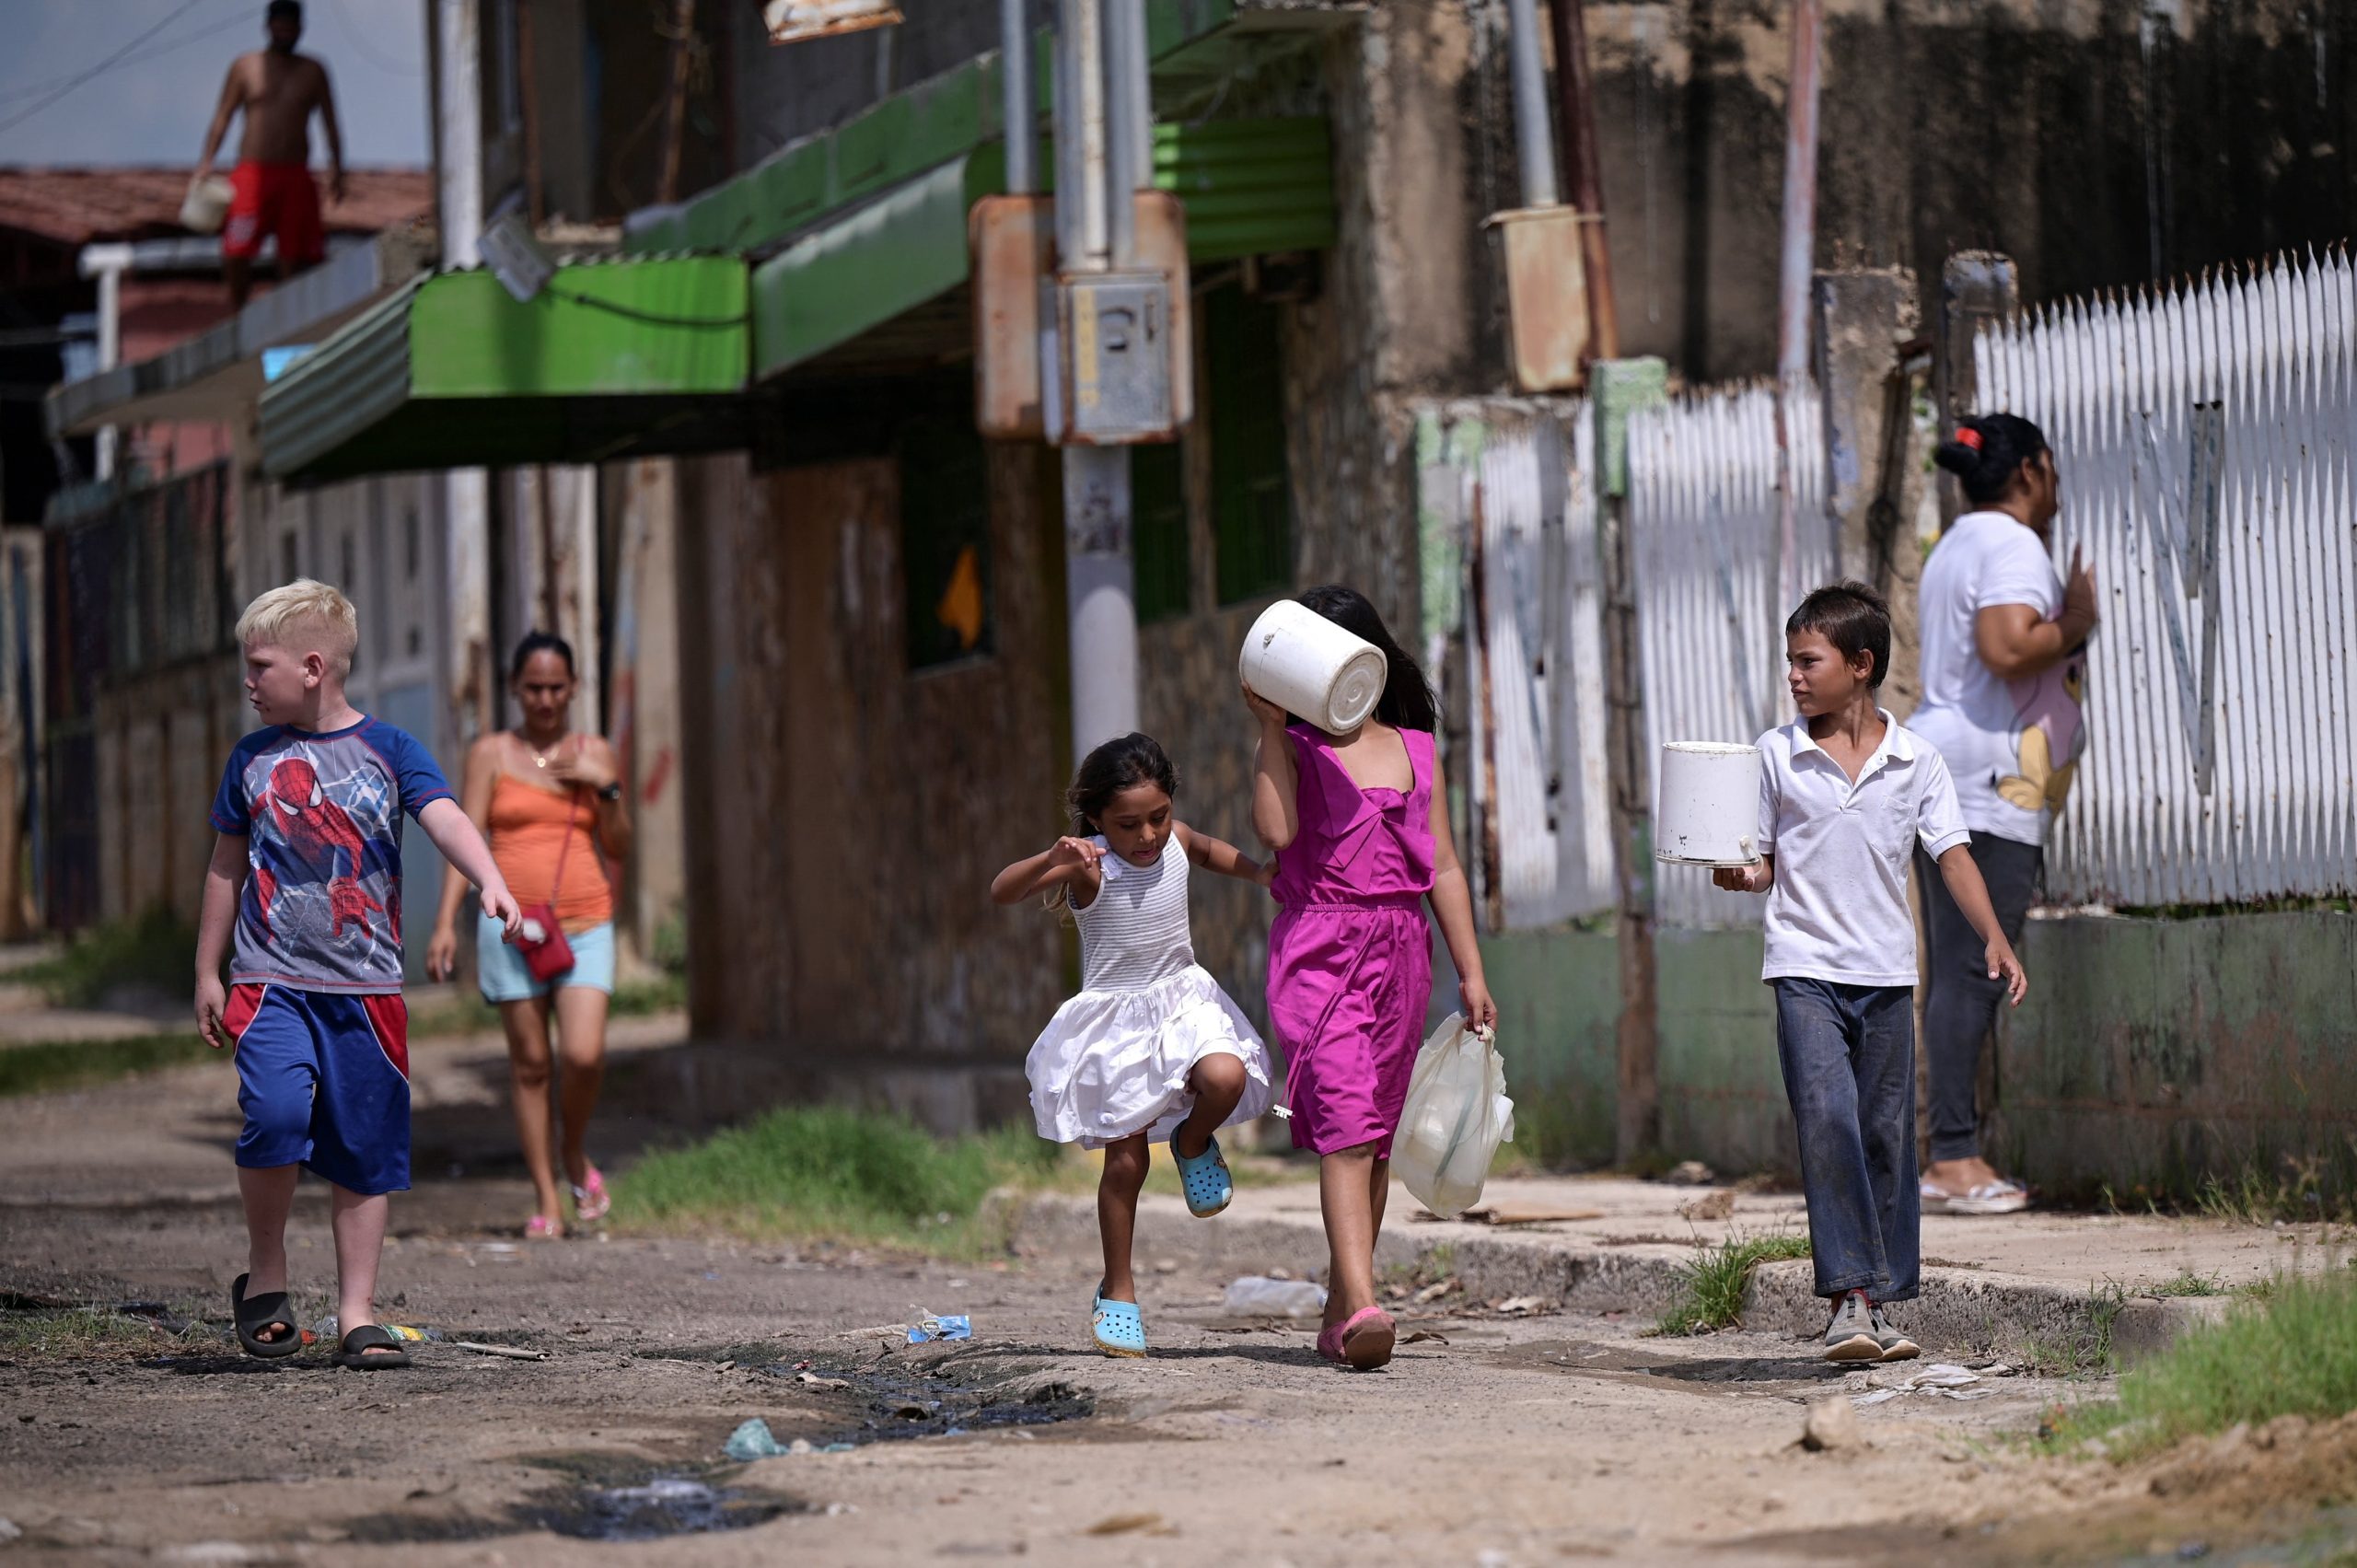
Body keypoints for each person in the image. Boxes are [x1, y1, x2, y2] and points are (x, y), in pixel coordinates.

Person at [195, 580, 520, 1369]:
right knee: (274, 1115)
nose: (247, 681)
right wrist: (209, 971)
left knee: (363, 1148)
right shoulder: (252, 760)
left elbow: (444, 815)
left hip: (368, 992)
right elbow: (225, 871)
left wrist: (490, 879)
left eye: (258, 665)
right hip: (271, 982)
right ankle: (267, 1279)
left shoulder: (392, 750)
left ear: (312, 667)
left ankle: (355, 1312)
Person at [1713, 582, 2027, 1363]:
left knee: (1887, 1135)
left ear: (1860, 665)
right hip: (1803, 968)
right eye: (1789, 660)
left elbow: (1951, 854)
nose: (1793, 674)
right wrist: (1741, 876)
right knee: (1827, 1116)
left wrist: (1995, 935)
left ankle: (1883, 1303)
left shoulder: (1916, 761)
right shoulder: (1776, 753)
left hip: (1886, 975)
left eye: (1807, 660)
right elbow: (1762, 861)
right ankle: (1849, 1298)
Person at [1246, 586, 1496, 1373]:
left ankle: (1337, 1307)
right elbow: (1277, 832)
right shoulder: (1296, 751)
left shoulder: (1419, 747)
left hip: (1402, 951)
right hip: (1320, 947)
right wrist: (1268, 733)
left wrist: (1473, 971)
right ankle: (1361, 1302)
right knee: (1347, 1122)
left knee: (1377, 1141)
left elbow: (1445, 865)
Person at [993, 734, 1277, 1357]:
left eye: (1158, 816)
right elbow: (1003, 890)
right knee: (1125, 1164)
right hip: (1118, 1023)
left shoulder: (1174, 839)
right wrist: (1051, 856)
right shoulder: (1089, 862)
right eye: (1128, 823)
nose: (1147, 834)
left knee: (1226, 1077)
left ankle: (1193, 1140)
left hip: (1183, 1001)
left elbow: (1206, 850)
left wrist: (1258, 872)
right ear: (1096, 818)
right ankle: (1118, 1289)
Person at [1910, 415, 2097, 1216]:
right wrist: (2079, 619)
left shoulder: (1957, 542)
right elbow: (2005, 645)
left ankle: (1951, 1149)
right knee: (1974, 966)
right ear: (2030, 471)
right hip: (1986, 779)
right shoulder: (2014, 544)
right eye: (2050, 472)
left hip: (1961, 766)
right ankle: (1952, 1155)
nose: (2054, 488)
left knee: (1956, 965)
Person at [427, 633, 633, 1240]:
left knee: (583, 1055)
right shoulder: (490, 752)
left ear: (574, 688)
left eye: (556, 687)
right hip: (509, 926)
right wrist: (444, 922)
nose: (545, 698)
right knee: (531, 1063)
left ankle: (573, 1152)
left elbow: (619, 844)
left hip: (587, 921)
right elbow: (462, 841)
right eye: (534, 687)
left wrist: (607, 785)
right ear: (515, 688)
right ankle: (546, 1191)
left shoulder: (595, 751)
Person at [194, 1, 345, 308]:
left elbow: (331, 123)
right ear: (268, 27)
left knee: (295, 254)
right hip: (252, 172)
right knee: (236, 248)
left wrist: (338, 170)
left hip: (295, 173)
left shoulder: (313, 71)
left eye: (291, 26)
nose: (285, 32)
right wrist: (206, 162)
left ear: (300, 29)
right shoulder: (245, 67)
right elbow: (223, 116)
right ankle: (238, 311)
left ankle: (292, 314)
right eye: (280, 25)